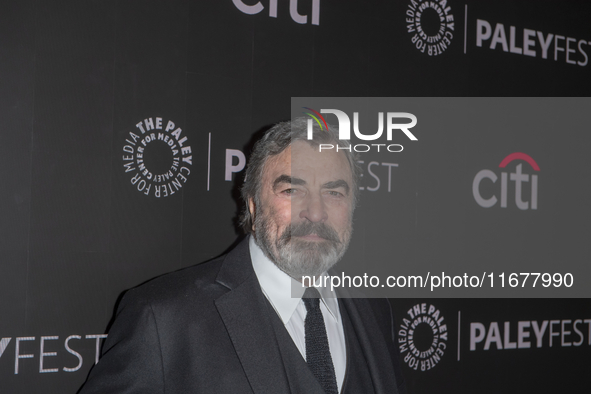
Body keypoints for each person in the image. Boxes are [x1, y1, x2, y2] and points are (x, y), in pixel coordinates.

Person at [79, 118, 406, 394]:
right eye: (292, 190)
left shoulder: (375, 309)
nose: (315, 212)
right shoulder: (163, 321)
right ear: (252, 204)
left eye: (334, 192)